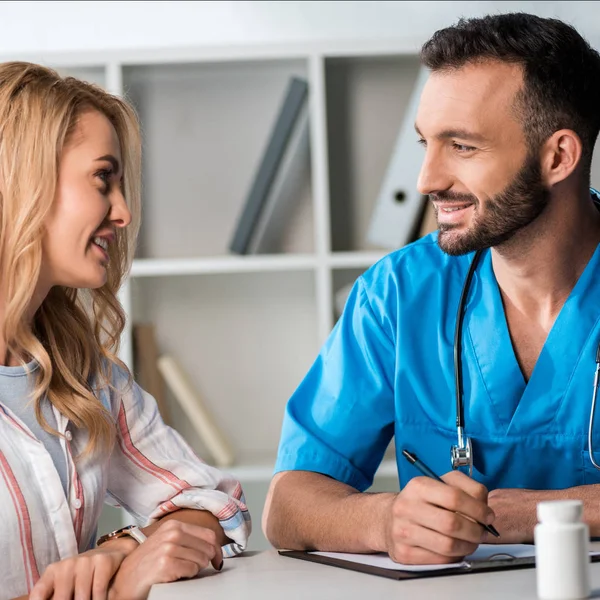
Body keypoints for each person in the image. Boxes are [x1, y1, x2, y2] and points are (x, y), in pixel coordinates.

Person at [263, 12, 600, 565]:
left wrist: (535, 513)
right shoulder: (397, 294)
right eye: (426, 143)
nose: (426, 181)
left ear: (558, 157)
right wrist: (383, 519)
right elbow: (287, 505)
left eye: (462, 147)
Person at [0, 62, 251, 600]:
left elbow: (214, 504)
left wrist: (124, 547)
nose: (123, 212)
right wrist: (117, 590)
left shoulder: (87, 374)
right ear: (22, 181)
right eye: (102, 179)